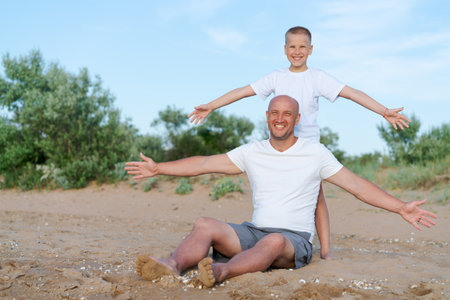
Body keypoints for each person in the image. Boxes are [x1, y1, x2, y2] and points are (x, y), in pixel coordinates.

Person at [125, 95, 435, 288]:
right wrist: (159, 168)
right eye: (274, 113)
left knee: (274, 240)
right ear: (267, 117)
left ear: (297, 119)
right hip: (253, 232)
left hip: (292, 241)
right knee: (205, 223)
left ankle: (221, 272)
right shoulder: (253, 151)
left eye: (287, 114)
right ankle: (171, 265)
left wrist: (400, 207)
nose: (280, 119)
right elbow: (205, 162)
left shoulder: (316, 153)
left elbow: (356, 186)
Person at [187, 26, 411, 259]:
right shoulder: (276, 77)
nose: (297, 51)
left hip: (307, 146)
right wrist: (212, 105)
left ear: (311, 49)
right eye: (292, 46)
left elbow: (351, 93)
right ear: (285, 50)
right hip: (281, 142)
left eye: (302, 47)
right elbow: (244, 91)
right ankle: (265, 232)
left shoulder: (317, 78)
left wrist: (383, 111)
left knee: (316, 197)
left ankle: (325, 250)